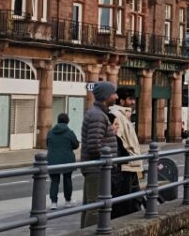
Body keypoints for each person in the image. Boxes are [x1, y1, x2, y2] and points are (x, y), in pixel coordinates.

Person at [80, 81, 118, 222]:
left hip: (94, 167)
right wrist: (107, 160)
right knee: (95, 207)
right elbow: (94, 146)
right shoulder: (98, 116)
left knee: (90, 205)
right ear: (106, 96)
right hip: (97, 168)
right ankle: (91, 234)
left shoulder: (97, 113)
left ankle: (85, 233)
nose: (116, 96)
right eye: (113, 93)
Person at [111, 89, 144, 215]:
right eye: (130, 99)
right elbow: (117, 139)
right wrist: (129, 155)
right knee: (127, 202)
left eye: (133, 99)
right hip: (127, 165)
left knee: (133, 200)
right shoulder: (117, 115)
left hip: (132, 164)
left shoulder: (125, 116)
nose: (133, 102)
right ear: (121, 101)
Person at [45, 113, 79, 205]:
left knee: (54, 181)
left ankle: (53, 202)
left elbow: (47, 144)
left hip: (52, 160)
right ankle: (68, 201)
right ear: (67, 121)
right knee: (67, 180)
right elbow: (76, 145)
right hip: (67, 159)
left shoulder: (50, 132)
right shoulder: (70, 132)